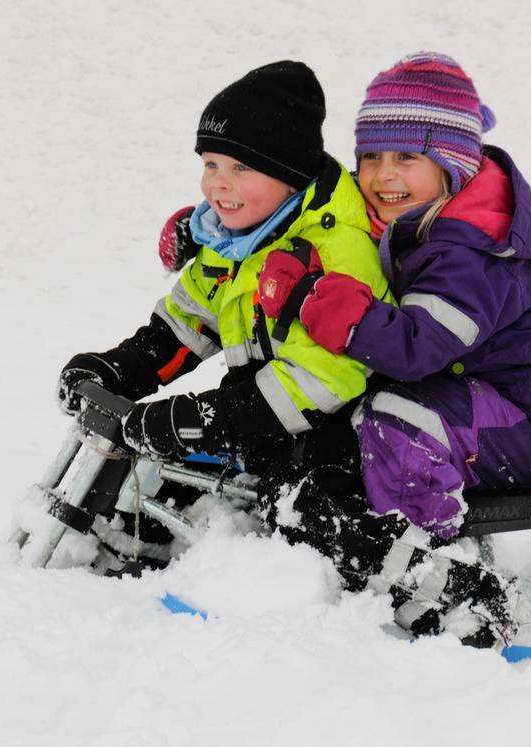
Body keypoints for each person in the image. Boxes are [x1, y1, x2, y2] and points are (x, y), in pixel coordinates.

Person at [253, 52, 531, 643]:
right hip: (467, 391)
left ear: (453, 165)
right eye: (370, 157)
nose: (384, 175)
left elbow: (416, 348)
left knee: (397, 418)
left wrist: (317, 301)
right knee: (347, 403)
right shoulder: (413, 214)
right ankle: (355, 533)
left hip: (526, 415)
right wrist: (220, 224)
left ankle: (433, 577)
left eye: (408, 157)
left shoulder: (473, 250)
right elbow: (315, 214)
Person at [58, 61, 394, 582]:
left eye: (241, 168)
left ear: (289, 173)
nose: (219, 184)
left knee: (303, 515)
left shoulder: (337, 248)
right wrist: (115, 371)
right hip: (253, 421)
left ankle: (402, 590)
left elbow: (326, 378)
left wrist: (207, 419)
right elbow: (181, 329)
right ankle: (131, 563)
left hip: (339, 430)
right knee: (155, 485)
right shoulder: (233, 239)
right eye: (211, 164)